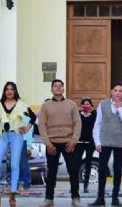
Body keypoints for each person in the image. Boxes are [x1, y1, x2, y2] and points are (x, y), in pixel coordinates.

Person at [90, 82, 122, 207]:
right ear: (111, 91)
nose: (117, 93)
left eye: (120, 91)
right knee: (102, 169)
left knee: (117, 170)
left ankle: (115, 199)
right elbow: (97, 123)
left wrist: (120, 108)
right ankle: (100, 198)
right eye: (115, 90)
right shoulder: (103, 104)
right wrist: (97, 141)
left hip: (119, 141)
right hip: (105, 140)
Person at [0, 81, 34, 207]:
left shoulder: (21, 105)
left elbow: (32, 118)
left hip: (16, 136)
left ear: (15, 91)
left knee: (14, 165)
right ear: (4, 91)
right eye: (7, 89)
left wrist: (26, 128)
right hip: (2, 136)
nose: (9, 91)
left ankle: (12, 195)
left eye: (12, 89)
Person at [38, 79, 82, 207]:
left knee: (73, 171)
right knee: (51, 172)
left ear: (63, 89)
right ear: (51, 89)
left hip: (69, 143)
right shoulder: (45, 106)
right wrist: (47, 143)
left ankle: (75, 198)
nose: (58, 88)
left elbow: (77, 123)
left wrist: (74, 140)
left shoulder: (72, 105)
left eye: (60, 86)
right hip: (52, 144)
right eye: (55, 86)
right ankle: (49, 199)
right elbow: (42, 125)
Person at [78, 97, 97, 194]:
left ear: (91, 105)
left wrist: (93, 111)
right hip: (79, 142)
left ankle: (86, 186)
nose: (86, 105)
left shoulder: (94, 115)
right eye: (84, 104)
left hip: (90, 142)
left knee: (88, 164)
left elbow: (96, 125)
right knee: (76, 163)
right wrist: (79, 111)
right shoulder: (78, 114)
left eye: (88, 104)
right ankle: (74, 185)